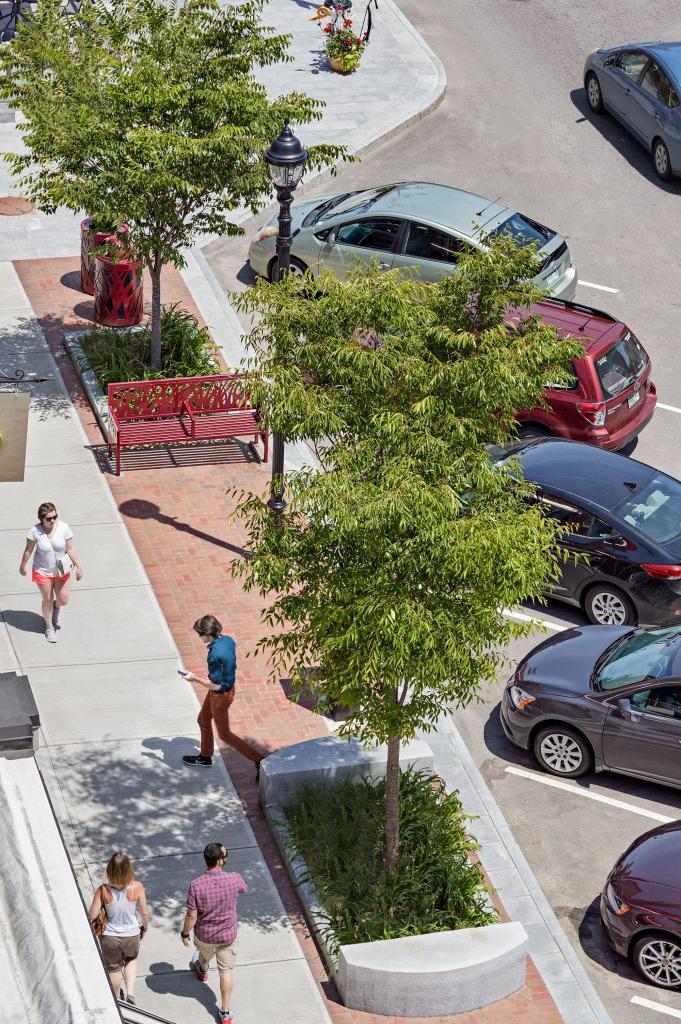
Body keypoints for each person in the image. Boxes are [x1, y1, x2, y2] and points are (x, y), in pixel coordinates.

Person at [182, 614, 263, 778]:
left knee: (225, 735)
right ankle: (205, 757)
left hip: (220, 695)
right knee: (203, 720)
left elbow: (218, 685)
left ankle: (260, 760)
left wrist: (195, 679)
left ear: (207, 634)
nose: (199, 637)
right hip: (224, 691)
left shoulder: (214, 655)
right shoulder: (227, 640)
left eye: (200, 634)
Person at [181, 842, 247, 1024]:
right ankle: (225, 1013)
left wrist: (185, 933)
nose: (227, 858)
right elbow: (244, 888)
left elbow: (191, 914)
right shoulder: (234, 878)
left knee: (203, 953)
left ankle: (202, 970)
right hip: (227, 937)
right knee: (226, 971)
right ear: (219, 861)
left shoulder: (196, 885)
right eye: (225, 856)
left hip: (205, 936)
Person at [89, 851, 149, 1005]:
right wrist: (144, 928)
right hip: (131, 934)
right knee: (131, 959)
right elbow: (144, 913)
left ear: (110, 870)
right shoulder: (137, 887)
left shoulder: (103, 890)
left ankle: (117, 998)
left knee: (113, 968)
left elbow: (92, 915)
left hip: (109, 936)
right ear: (129, 869)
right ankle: (130, 993)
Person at [19, 501, 83, 643]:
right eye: (48, 518)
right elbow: (28, 550)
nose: (52, 520)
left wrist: (79, 566)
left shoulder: (64, 528)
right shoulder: (35, 531)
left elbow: (71, 548)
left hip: (62, 570)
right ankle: (49, 628)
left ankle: (57, 606)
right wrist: (23, 566)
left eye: (55, 517)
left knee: (63, 600)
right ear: (41, 518)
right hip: (42, 571)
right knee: (47, 598)